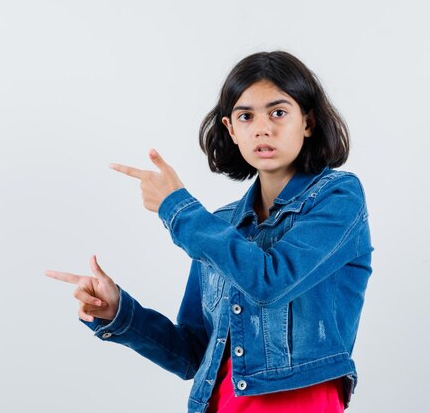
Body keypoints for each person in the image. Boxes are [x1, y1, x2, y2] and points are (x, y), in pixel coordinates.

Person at [46, 51, 373, 413]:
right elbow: (193, 353)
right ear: (231, 130)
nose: (263, 128)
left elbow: (271, 281)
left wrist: (176, 209)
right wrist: (120, 313)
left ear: (307, 121)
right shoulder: (222, 224)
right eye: (246, 116)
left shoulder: (338, 197)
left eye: (278, 112)